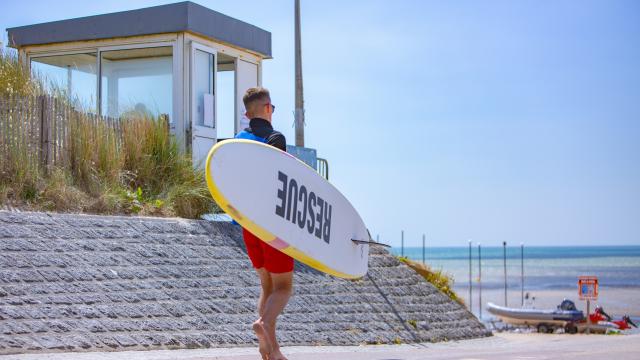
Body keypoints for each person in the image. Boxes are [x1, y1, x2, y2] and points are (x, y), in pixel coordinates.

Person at [235, 87, 293, 360]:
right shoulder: (275, 138)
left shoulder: (238, 141)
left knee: (267, 287)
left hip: (249, 224)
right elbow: (278, 179)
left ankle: (270, 349)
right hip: (273, 224)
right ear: (268, 108)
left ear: (247, 114)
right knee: (283, 287)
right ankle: (263, 324)